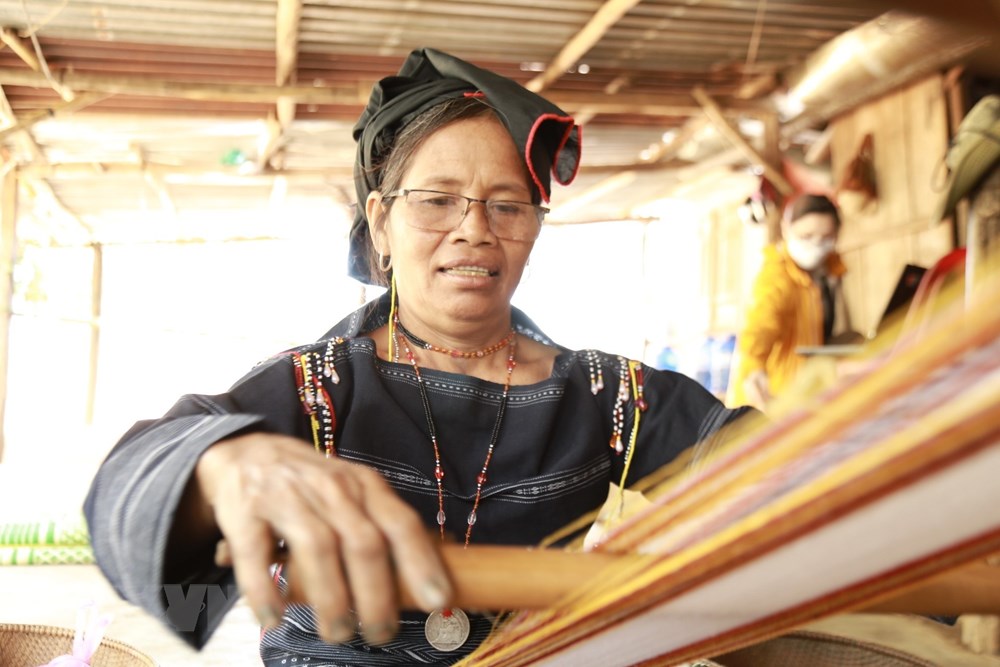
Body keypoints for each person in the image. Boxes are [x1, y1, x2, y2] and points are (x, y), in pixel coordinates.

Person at [83, 47, 752, 666]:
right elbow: (128, 489)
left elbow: (759, 460)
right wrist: (216, 469)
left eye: (507, 206)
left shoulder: (603, 396)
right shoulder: (319, 388)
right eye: (437, 201)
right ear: (381, 221)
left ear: (533, 229)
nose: (474, 230)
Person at [729, 193, 851, 411]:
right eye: (806, 235)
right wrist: (753, 367)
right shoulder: (777, 278)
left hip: (804, 395)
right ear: (786, 229)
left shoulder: (825, 274)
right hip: (772, 401)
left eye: (825, 237)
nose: (816, 244)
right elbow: (759, 326)